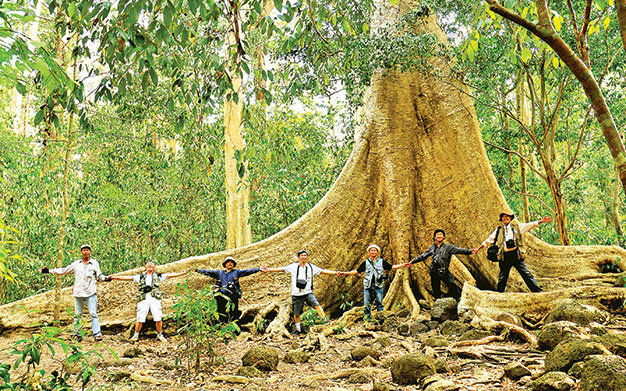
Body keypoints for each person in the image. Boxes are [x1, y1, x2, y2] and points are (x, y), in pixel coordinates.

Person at [39, 244, 108, 341]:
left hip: (90, 292)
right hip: (78, 292)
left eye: (87, 250)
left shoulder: (94, 263)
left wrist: (106, 278)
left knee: (93, 314)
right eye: (84, 250)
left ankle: (97, 334)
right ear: (81, 252)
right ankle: (77, 334)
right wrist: (49, 271)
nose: (86, 252)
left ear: (90, 252)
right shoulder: (76, 264)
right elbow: (64, 271)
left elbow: (99, 276)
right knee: (77, 314)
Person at [262, 250, 339, 335]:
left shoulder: (311, 267)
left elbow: (322, 271)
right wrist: (268, 270)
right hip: (296, 294)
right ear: (298, 257)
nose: (303, 257)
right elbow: (282, 269)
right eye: (301, 255)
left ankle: (325, 321)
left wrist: (335, 273)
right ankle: (298, 329)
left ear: (307, 257)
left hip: (308, 292)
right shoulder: (294, 266)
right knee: (296, 313)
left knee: (316, 305)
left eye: (305, 255)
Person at [108, 261, 188, 342]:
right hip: (143, 298)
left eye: (152, 265)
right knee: (140, 317)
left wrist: (184, 273)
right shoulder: (140, 277)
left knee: (158, 317)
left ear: (154, 268)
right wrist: (114, 277)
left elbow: (170, 275)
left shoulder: (158, 276)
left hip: (155, 298)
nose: (150, 265)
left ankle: (160, 334)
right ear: (145, 267)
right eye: (148, 265)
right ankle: (136, 335)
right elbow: (129, 278)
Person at [474, 212, 553, 293]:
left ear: (510, 218)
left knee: (526, 273)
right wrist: (478, 248)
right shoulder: (499, 230)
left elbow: (529, 225)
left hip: (516, 255)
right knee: (503, 277)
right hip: (504, 256)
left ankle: (537, 291)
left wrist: (541, 221)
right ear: (501, 219)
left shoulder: (516, 227)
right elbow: (489, 240)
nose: (505, 218)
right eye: (503, 217)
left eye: (507, 216)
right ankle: (499, 294)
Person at [338, 244, 407, 320]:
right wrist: (345, 273)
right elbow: (357, 271)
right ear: (369, 252)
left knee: (379, 303)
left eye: (375, 250)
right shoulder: (366, 262)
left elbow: (391, 267)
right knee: (367, 303)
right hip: (368, 285)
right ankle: (367, 319)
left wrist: (402, 265)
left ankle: (380, 318)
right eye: (371, 250)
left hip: (378, 285)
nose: (373, 252)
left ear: (377, 252)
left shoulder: (381, 261)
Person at [408, 229, 473, 300]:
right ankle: (438, 304)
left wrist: (470, 251)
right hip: (434, 270)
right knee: (436, 288)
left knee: (451, 284)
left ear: (444, 237)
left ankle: (457, 300)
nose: (439, 236)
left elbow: (459, 250)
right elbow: (423, 256)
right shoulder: (432, 248)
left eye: (441, 235)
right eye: (437, 235)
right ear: (435, 237)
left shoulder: (448, 247)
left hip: (444, 270)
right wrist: (412, 261)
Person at [195, 256, 262, 325]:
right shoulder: (219, 273)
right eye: (228, 262)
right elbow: (207, 272)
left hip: (233, 295)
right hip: (222, 296)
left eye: (231, 262)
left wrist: (259, 269)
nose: (230, 263)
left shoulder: (237, 272)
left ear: (233, 264)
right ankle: (221, 326)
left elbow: (248, 271)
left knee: (234, 311)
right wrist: (196, 270)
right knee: (221, 311)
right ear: (225, 264)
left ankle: (235, 328)